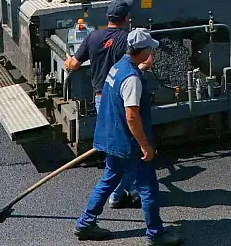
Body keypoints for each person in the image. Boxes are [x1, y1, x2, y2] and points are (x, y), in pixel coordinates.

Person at [74, 28, 182, 245]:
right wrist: (145, 145)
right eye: (149, 48)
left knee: (109, 180)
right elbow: (132, 116)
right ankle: (156, 235)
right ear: (142, 51)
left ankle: (85, 223)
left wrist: (140, 69)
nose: (152, 52)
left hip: (112, 138)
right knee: (148, 187)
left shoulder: (118, 67)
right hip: (128, 143)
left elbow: (124, 85)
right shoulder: (132, 79)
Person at [64, 0, 137, 208]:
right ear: (126, 18)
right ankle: (118, 193)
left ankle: (128, 188)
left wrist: (67, 61)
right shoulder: (127, 39)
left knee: (114, 145)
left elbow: (74, 64)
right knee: (127, 147)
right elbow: (141, 63)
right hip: (122, 98)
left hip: (101, 99)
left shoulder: (93, 36)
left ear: (107, 17)